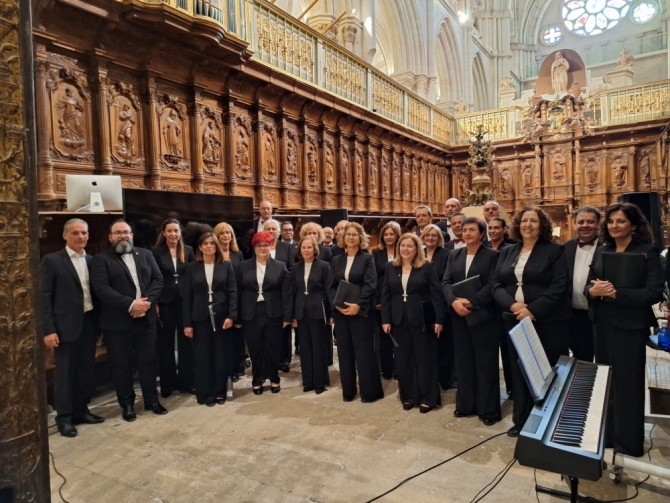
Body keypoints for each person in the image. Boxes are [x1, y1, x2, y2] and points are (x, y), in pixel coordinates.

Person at [586, 203, 663, 457]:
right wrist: (592, 291)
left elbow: (652, 293)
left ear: (633, 224)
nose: (614, 226)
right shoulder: (603, 250)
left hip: (629, 327)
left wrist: (617, 294)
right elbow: (590, 283)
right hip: (602, 324)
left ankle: (628, 443)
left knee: (627, 385)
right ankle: (607, 436)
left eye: (620, 221)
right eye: (610, 222)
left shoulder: (648, 252)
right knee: (606, 382)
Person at [491, 206, 571, 437]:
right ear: (517, 225)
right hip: (514, 319)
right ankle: (522, 419)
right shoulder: (507, 251)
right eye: (524, 220)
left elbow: (559, 286)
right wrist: (513, 305)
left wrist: (533, 310)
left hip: (547, 321)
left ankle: (551, 421)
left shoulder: (554, 251)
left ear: (542, 225)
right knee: (520, 370)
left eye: (533, 221)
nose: (528, 225)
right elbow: (495, 283)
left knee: (548, 370)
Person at [91, 220, 167, 422]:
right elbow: (102, 289)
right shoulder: (101, 260)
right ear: (110, 237)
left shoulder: (146, 254)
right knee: (121, 365)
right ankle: (127, 405)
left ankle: (152, 401)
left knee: (148, 362)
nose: (123, 236)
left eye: (126, 232)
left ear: (132, 235)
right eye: (118, 233)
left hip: (146, 319)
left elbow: (158, 280)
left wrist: (146, 303)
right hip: (117, 323)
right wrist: (131, 304)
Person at [41, 218, 104, 437]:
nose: (80, 237)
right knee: (65, 374)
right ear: (65, 235)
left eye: (84, 233)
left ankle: (81, 410)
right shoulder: (52, 261)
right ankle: (64, 418)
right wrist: (48, 330)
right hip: (64, 326)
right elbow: (44, 297)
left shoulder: (93, 261)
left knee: (85, 371)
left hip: (88, 324)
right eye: (75, 233)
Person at [443, 217, 501, 425]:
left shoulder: (493, 255)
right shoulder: (454, 254)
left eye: (472, 230)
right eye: (464, 230)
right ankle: (466, 405)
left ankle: (488, 410)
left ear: (481, 234)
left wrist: (471, 301)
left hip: (484, 316)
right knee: (464, 363)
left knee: (485, 364)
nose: (467, 233)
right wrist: (453, 302)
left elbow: (493, 283)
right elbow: (446, 281)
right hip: (459, 316)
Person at [381, 233, 444, 413]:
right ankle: (409, 396)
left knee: (424, 359)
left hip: (422, 319)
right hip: (398, 319)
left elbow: (436, 295)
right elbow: (385, 295)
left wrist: (439, 319)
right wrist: (385, 319)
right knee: (403, 360)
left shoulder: (427, 267)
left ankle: (428, 398)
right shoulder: (391, 267)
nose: (405, 249)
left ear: (417, 248)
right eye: (403, 245)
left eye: (410, 246)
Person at [328, 222, 383, 403]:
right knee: (344, 352)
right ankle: (348, 391)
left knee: (364, 351)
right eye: (348, 234)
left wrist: (358, 305)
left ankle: (369, 391)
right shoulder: (336, 260)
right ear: (343, 238)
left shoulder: (367, 258)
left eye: (354, 234)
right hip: (341, 312)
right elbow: (330, 286)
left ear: (361, 238)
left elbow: (370, 284)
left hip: (361, 311)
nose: (351, 237)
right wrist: (336, 305)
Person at [182, 233, 237, 406]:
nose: (208, 246)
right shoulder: (191, 268)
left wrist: (231, 315)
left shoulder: (226, 266)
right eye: (205, 243)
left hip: (221, 317)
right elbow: (187, 297)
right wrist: (187, 324)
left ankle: (220, 391)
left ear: (216, 247)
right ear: (200, 247)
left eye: (212, 244)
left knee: (220, 356)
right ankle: (205, 393)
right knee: (202, 356)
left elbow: (233, 292)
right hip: (200, 318)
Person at [235, 232, 292, 395]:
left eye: (265, 245)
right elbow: (237, 292)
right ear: (254, 247)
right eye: (259, 245)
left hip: (274, 312)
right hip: (250, 313)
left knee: (273, 348)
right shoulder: (243, 266)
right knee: (255, 348)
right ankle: (257, 379)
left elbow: (286, 293)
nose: (262, 248)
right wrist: (237, 317)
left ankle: (274, 379)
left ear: (271, 246)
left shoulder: (280, 266)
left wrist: (288, 316)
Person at [152, 218, 196, 398]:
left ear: (180, 233)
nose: (173, 234)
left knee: (187, 342)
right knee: (165, 344)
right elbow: (151, 278)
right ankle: (167, 384)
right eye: (169, 231)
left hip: (185, 301)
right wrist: (154, 302)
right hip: (164, 302)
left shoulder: (188, 250)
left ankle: (188, 382)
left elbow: (194, 275)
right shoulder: (155, 252)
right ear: (164, 233)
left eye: (176, 231)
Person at [290, 236, 331, 394]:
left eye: (309, 247)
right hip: (301, 311)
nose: (306, 250)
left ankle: (320, 382)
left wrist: (331, 312)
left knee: (319, 347)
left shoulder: (324, 266)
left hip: (318, 310)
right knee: (305, 348)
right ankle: (308, 381)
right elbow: (293, 292)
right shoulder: (295, 268)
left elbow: (328, 290)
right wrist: (293, 315)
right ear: (299, 250)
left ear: (315, 249)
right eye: (303, 247)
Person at [563, 206, 602, 362]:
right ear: (574, 224)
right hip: (573, 316)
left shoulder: (609, 247)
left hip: (599, 314)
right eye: (581, 222)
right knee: (581, 359)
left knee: (603, 361)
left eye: (590, 222)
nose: (585, 225)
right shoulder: (565, 248)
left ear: (599, 224)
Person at [420, 224, 454, 390]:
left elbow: (448, 278)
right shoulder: (419, 253)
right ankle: (430, 377)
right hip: (423, 303)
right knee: (427, 343)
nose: (430, 238)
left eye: (434, 235)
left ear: (439, 238)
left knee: (443, 343)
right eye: (427, 235)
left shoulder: (447, 254)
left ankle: (445, 379)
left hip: (441, 302)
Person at [213, 221, 246, 381]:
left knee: (236, 338)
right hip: (219, 301)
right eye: (222, 233)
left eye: (228, 233)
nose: (226, 236)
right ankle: (223, 369)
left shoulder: (237, 254)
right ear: (217, 236)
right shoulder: (213, 254)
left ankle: (235, 369)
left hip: (237, 299)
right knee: (222, 339)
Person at [487, 216, 513, 398]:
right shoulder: (484, 248)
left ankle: (511, 386)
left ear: (504, 229)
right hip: (487, 306)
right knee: (489, 352)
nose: (493, 231)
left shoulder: (510, 249)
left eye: (497, 228)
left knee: (507, 349)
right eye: (491, 228)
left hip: (504, 304)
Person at [372, 221, 401, 380]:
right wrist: (377, 300)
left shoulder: (403, 251)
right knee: (383, 337)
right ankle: (386, 368)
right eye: (386, 234)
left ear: (397, 235)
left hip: (398, 299)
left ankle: (399, 368)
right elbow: (373, 278)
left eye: (392, 234)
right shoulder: (376, 253)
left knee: (398, 335)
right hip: (380, 300)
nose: (389, 237)